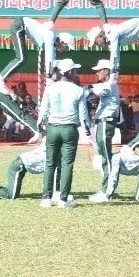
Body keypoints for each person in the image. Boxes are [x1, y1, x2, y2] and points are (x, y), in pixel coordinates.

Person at [37, 58, 89, 209]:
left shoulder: (50, 88)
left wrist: (40, 126)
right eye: (75, 70)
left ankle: (46, 198)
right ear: (71, 72)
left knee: (50, 163)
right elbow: (83, 115)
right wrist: (87, 130)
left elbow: (43, 111)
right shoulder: (79, 90)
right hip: (69, 129)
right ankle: (63, 199)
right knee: (66, 165)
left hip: (52, 127)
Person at [0, 18, 74, 90]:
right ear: (63, 42)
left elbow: (52, 60)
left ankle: (1, 80)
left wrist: (52, 76)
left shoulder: (53, 41)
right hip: (19, 26)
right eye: (67, 47)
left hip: (21, 27)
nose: (66, 50)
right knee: (21, 59)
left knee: (22, 59)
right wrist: (49, 77)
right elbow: (49, 58)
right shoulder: (50, 36)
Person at [0, 141, 66, 201]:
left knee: (13, 192)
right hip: (18, 166)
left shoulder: (51, 146)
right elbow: (53, 175)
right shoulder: (53, 154)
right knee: (12, 196)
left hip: (21, 166)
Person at [87, 58, 121, 203]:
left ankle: (106, 191)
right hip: (103, 122)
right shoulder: (108, 83)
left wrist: (87, 88)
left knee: (106, 156)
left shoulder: (110, 83)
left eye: (99, 71)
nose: (97, 74)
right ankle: (106, 189)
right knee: (104, 155)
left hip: (106, 121)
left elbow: (97, 91)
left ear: (106, 71)